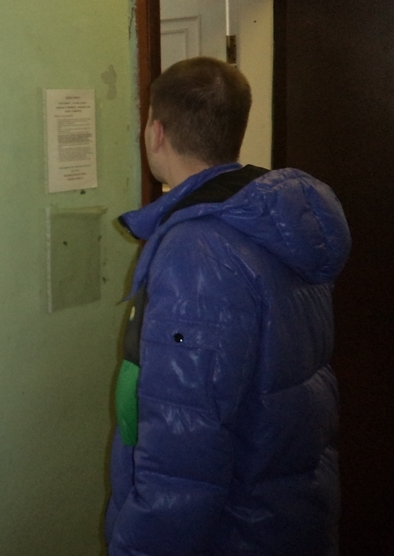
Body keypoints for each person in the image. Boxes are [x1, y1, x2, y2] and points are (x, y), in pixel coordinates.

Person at [106, 57, 350, 556]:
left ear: (156, 132)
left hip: (231, 531)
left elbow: (183, 445)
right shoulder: (274, 222)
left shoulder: (197, 252)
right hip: (287, 511)